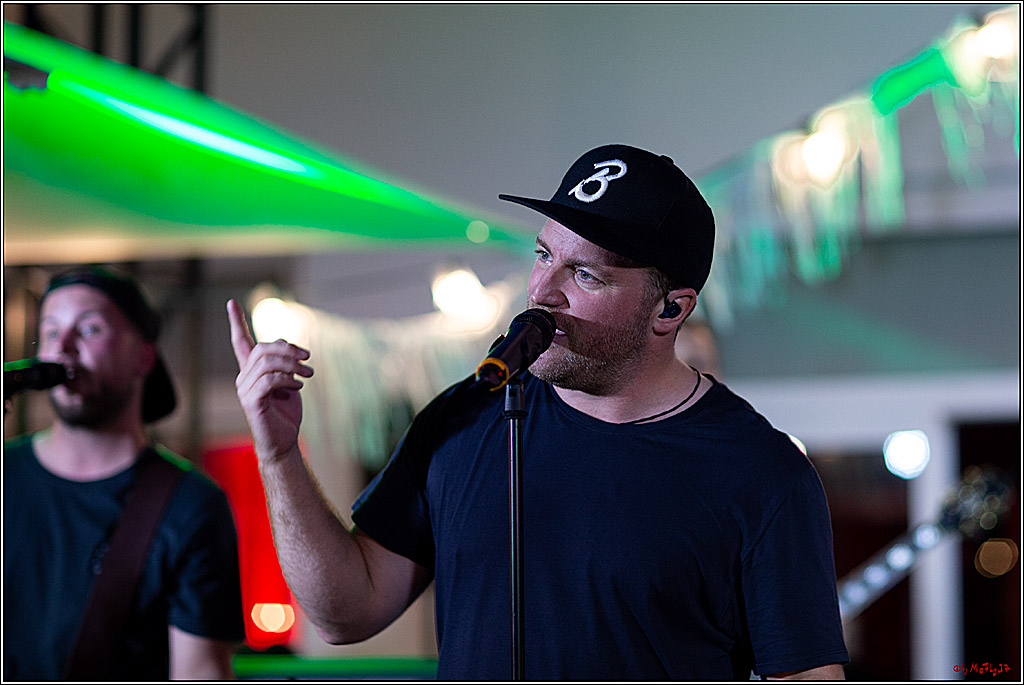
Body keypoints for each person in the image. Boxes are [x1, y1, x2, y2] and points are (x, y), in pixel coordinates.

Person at [228, 144, 850, 680]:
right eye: (544, 254)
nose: (543, 292)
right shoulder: (464, 416)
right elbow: (346, 612)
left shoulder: (760, 473)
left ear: (670, 309)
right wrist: (279, 454)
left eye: (585, 274)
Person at [3, 266, 246, 680]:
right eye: (49, 331)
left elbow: (201, 672)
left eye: (90, 329)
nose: (62, 346)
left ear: (143, 356)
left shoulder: (191, 506)